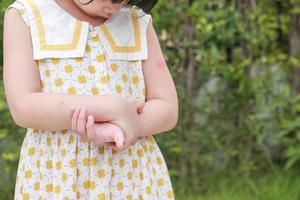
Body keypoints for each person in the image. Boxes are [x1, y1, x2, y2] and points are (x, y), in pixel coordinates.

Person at [3, 0, 178, 199]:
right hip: (57, 178)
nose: (117, 7)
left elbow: (167, 106)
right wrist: (111, 108)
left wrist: (131, 125)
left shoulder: (136, 21)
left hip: (131, 176)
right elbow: (23, 106)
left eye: (126, 0)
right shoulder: (26, 16)